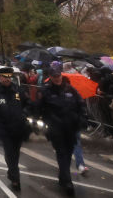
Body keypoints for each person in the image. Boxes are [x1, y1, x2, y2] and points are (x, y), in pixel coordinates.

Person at [38, 62, 88, 195]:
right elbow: (39, 108)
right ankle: (67, 181)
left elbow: (81, 104)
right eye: (54, 76)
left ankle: (62, 176)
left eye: (58, 75)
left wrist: (82, 118)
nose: (57, 78)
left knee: (68, 152)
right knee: (62, 154)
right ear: (50, 76)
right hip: (56, 129)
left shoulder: (70, 89)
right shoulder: (45, 91)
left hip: (71, 128)